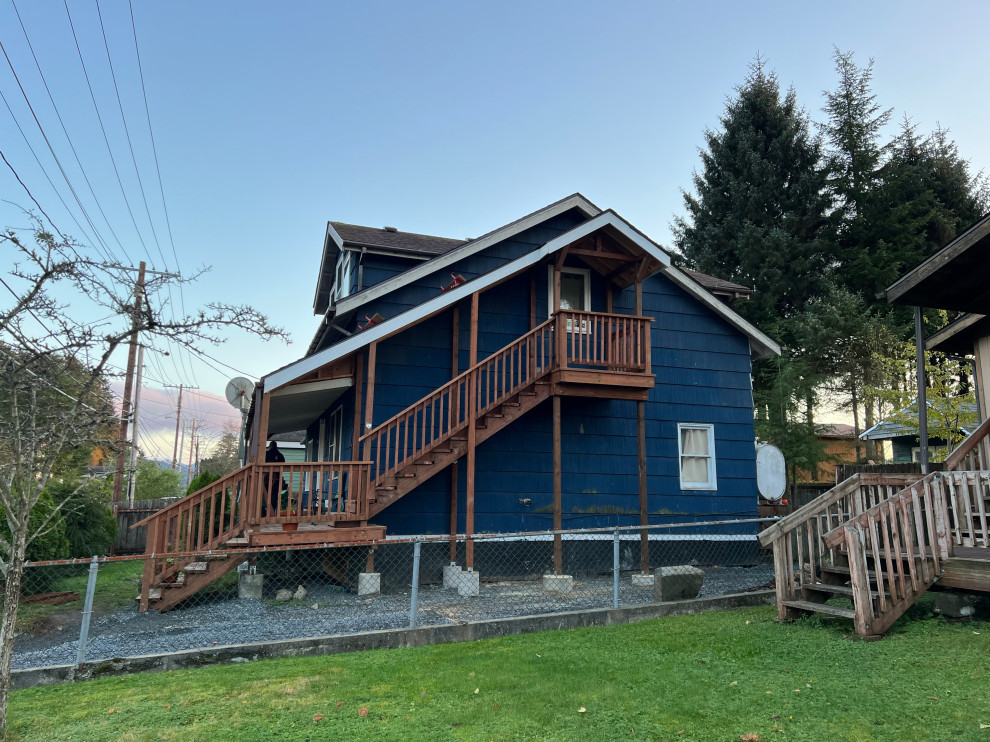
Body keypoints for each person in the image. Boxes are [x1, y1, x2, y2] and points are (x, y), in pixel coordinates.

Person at [263, 441, 285, 516]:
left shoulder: (266, 454)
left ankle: (265, 512)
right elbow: (283, 466)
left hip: (266, 478)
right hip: (277, 479)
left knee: (265, 494)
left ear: (270, 446)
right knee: (274, 495)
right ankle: (272, 512)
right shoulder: (280, 455)